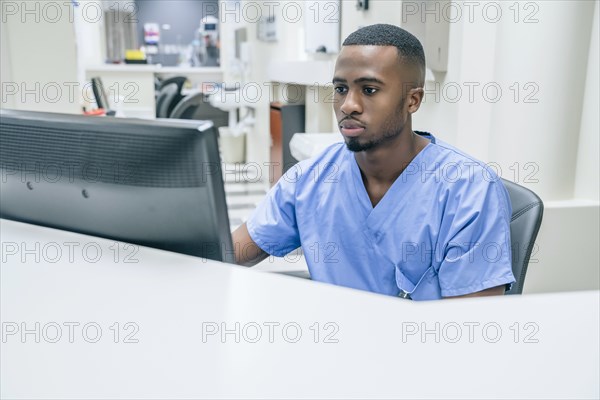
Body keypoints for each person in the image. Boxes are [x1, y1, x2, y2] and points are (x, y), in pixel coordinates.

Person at [232, 24, 515, 300]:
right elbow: (232, 252)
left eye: (369, 90)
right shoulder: (311, 178)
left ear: (412, 100)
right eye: (341, 89)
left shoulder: (469, 191)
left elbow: (471, 328)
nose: (348, 105)